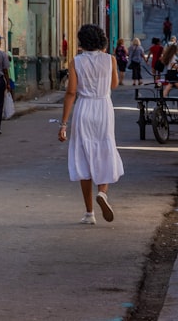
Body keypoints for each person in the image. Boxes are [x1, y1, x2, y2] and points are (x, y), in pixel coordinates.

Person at [58, 24, 124, 224]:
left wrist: (63, 124)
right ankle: (102, 193)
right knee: (105, 149)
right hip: (104, 107)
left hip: (84, 109)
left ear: (82, 42)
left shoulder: (76, 62)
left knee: (83, 157)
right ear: (101, 41)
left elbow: (71, 92)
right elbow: (114, 85)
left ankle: (89, 213)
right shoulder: (110, 59)